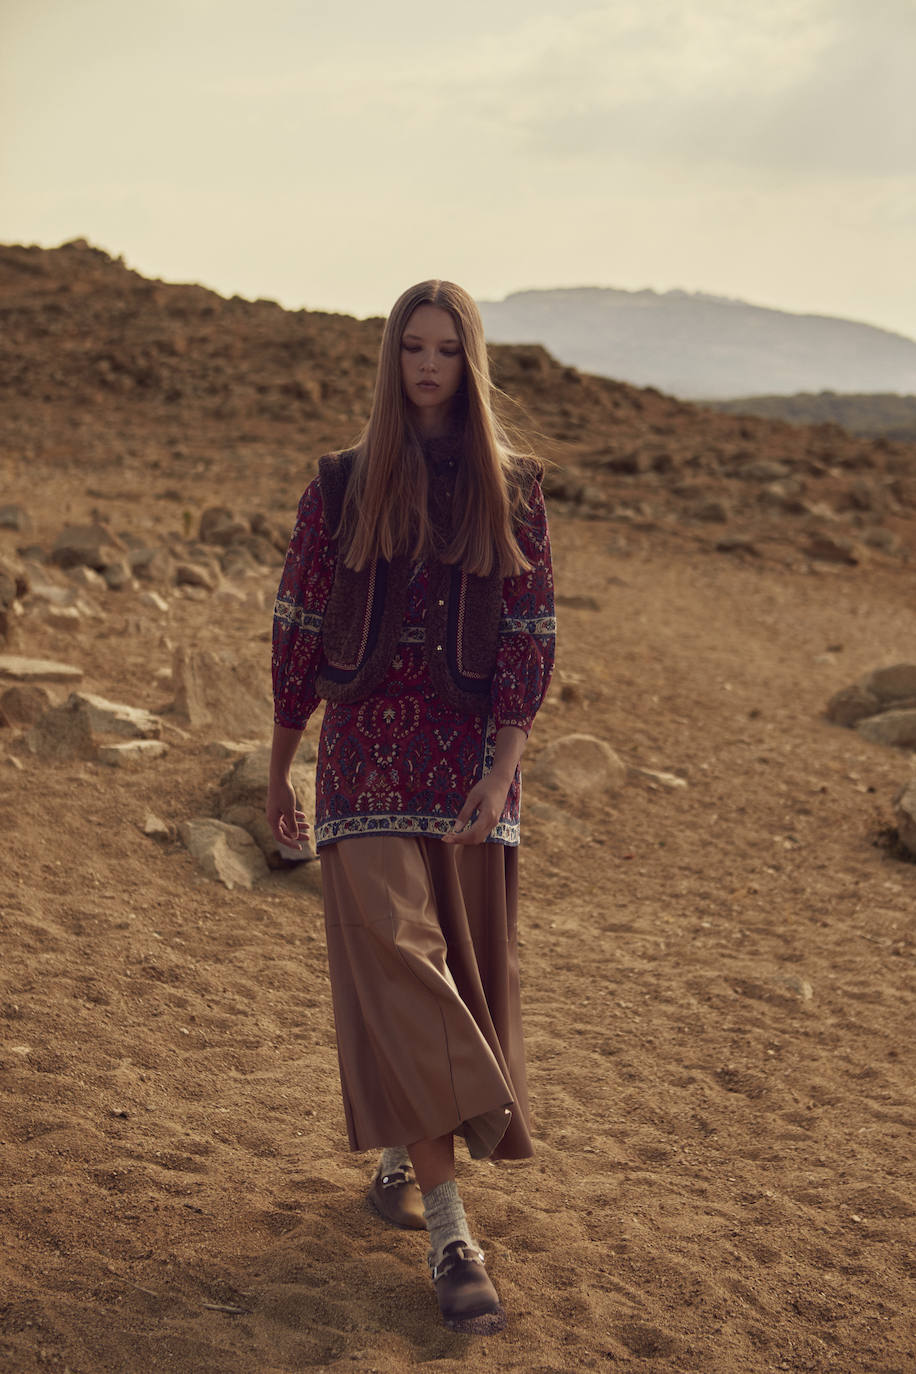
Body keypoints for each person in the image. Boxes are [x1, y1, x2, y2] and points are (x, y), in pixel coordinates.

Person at [266, 279, 556, 1335]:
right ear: (390, 361)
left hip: (471, 767)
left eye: (443, 350)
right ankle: (448, 1230)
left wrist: (506, 763)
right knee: (397, 954)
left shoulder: (511, 488)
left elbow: (530, 633)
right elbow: (298, 620)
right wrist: (280, 759)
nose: (425, 366)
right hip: (361, 764)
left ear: (467, 363)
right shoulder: (340, 484)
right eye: (409, 349)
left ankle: (399, 1161)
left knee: (455, 981)